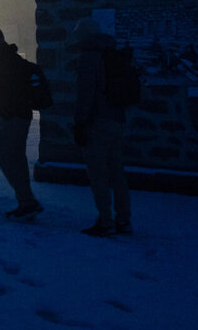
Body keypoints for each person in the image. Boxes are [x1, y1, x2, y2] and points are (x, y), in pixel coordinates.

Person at [70, 17, 132, 236]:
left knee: (98, 174)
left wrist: (79, 123)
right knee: (117, 172)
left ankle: (106, 221)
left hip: (98, 122)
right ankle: (124, 219)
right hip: (117, 119)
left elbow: (85, 94)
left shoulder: (89, 58)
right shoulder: (113, 54)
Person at [0, 27, 43, 220]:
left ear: (0, 39)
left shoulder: (6, 62)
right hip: (15, 115)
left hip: (13, 117)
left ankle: (27, 201)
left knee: (7, 159)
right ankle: (25, 201)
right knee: (15, 159)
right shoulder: (7, 59)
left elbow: (5, 96)